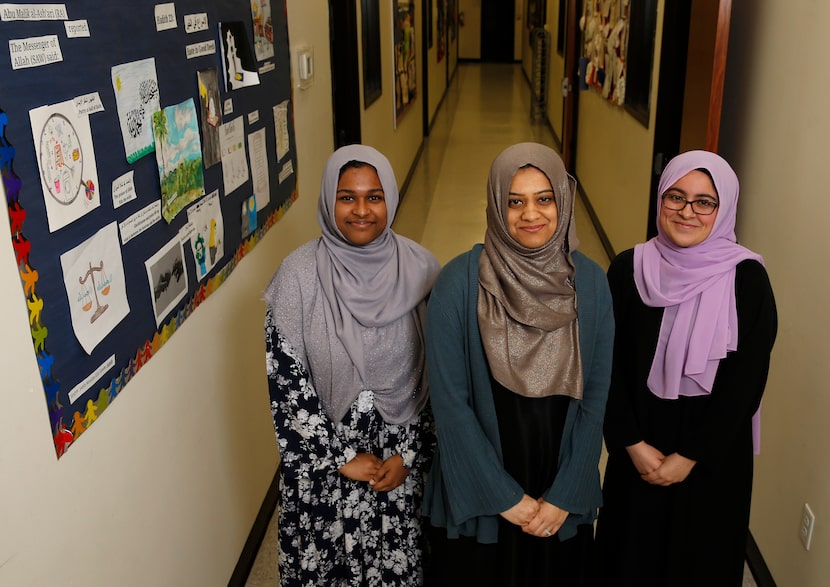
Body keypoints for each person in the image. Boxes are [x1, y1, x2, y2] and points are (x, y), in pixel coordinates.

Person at [423, 142, 614, 586]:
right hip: (482, 484)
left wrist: (565, 495)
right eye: (514, 201)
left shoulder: (591, 283)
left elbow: (597, 396)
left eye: (544, 198)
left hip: (558, 479)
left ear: (562, 201)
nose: (531, 214)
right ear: (494, 204)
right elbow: (451, 406)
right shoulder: (458, 283)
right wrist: (504, 497)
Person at [594, 151, 777, 586]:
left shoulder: (747, 280)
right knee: (629, 561)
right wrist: (631, 442)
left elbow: (745, 385)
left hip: (712, 462)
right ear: (660, 200)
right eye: (675, 197)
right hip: (638, 453)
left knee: (700, 565)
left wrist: (690, 455)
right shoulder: (628, 269)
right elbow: (606, 364)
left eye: (704, 202)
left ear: (724, 207)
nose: (687, 211)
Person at [263, 145, 440, 586]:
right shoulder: (297, 276)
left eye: (374, 197)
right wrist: (340, 458)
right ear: (329, 200)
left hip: (399, 466)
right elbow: (287, 388)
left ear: (391, 200)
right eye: (347, 197)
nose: (361, 210)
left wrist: (410, 454)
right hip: (326, 470)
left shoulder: (423, 271)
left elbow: (446, 378)